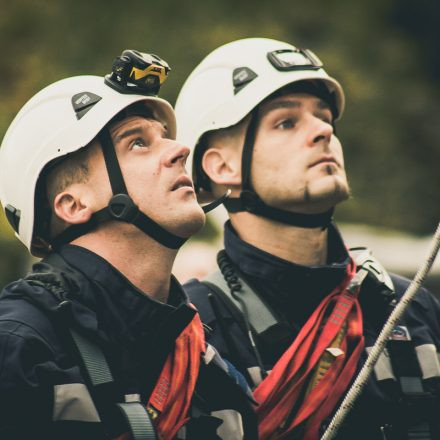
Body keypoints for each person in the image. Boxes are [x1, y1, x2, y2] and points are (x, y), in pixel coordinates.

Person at [175, 38, 440, 439]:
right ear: (221, 167)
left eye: (324, 117)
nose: (323, 130)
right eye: (287, 122)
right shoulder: (191, 330)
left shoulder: (410, 308)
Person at [0, 49, 257, 440]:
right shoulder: (17, 348)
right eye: (138, 143)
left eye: (164, 138)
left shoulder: (209, 369)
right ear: (74, 204)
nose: (180, 150)